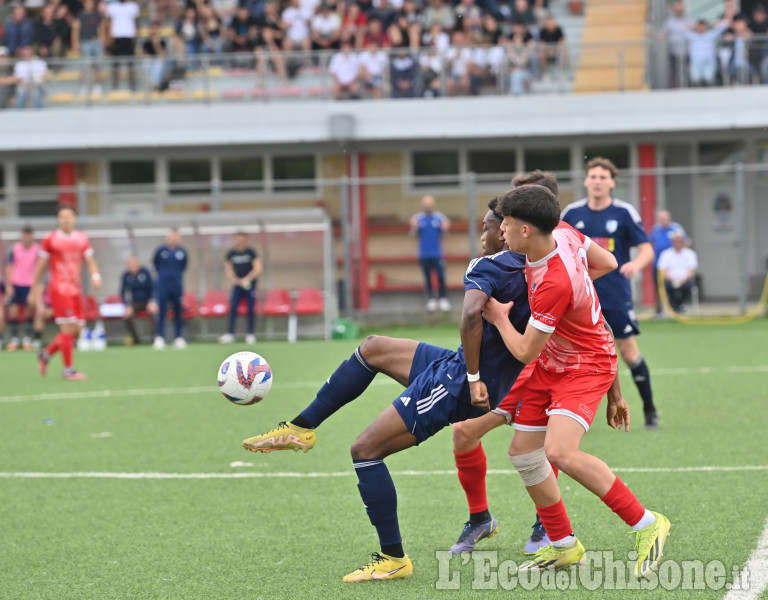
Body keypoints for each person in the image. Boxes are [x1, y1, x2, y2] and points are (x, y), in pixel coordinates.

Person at [241, 199, 534, 581]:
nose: (483, 235)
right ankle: (300, 428)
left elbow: (468, 316)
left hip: (459, 382)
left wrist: (474, 377)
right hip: (468, 369)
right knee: (373, 347)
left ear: (509, 229)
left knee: (365, 451)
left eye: (489, 227)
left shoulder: (489, 265)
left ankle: (393, 557)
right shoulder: (539, 268)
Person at [483, 184, 670, 580]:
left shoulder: (554, 281)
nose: (502, 231)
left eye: (508, 224)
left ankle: (646, 523)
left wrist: (498, 317)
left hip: (585, 367)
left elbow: (524, 352)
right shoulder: (565, 232)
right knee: (523, 452)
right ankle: (564, 544)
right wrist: (579, 295)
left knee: (561, 452)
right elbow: (609, 261)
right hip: (558, 362)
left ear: (527, 230)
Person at [561, 157, 659, 430]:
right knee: (575, 354)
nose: (597, 181)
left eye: (603, 177)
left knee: (628, 353)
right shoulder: (571, 213)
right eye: (593, 176)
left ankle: (650, 409)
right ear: (585, 181)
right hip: (580, 295)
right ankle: (573, 412)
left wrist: (635, 264)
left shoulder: (624, 213)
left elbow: (646, 249)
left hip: (615, 294)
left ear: (612, 183)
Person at [30, 205, 102, 380]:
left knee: (77, 330)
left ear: (75, 218)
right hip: (60, 289)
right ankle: (69, 370)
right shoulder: (50, 240)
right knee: (68, 327)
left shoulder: (82, 239)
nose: (66, 219)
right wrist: (34, 288)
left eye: (69, 216)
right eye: (62, 216)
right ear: (58, 219)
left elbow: (90, 260)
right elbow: (41, 266)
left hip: (76, 290)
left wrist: (95, 275)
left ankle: (46, 354)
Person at [219, 232, 262, 345]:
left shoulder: (251, 252)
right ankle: (230, 334)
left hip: (249, 285)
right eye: (237, 239)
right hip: (237, 285)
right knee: (233, 309)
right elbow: (228, 267)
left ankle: (250, 334)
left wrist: (247, 279)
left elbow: (257, 268)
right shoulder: (231, 253)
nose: (239, 241)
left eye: (241, 239)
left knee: (251, 309)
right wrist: (235, 279)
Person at [410, 194, 450, 312]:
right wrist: (414, 227)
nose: (428, 206)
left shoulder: (439, 218)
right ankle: (431, 299)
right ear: (423, 205)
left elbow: (446, 232)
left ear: (433, 205)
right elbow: (412, 235)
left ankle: (443, 299)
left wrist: (445, 227)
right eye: (426, 204)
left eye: (430, 204)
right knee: (427, 277)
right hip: (424, 254)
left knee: (441, 276)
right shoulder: (417, 218)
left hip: (437, 254)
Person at [4, 225, 40, 351]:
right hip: (15, 283)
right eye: (25, 235)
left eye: (29, 235)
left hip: (29, 284)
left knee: (29, 310)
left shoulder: (37, 250)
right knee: (13, 311)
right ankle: (14, 339)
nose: (27, 237)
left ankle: (27, 339)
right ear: (21, 236)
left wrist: (35, 288)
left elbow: (39, 269)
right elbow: (9, 266)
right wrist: (8, 285)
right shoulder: (14, 249)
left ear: (32, 236)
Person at [152, 229, 188, 350]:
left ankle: (178, 337)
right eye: (171, 236)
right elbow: (155, 264)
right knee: (162, 312)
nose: (173, 238)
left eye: (176, 236)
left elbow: (184, 266)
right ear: (167, 237)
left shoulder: (182, 252)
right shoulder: (161, 251)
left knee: (178, 312)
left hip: (177, 286)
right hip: (163, 286)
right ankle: (160, 337)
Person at [648, 209, 687, 315]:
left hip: (672, 265)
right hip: (658, 264)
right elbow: (649, 244)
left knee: (674, 286)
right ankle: (659, 310)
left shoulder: (676, 228)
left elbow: (686, 241)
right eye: (661, 219)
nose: (663, 221)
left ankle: (676, 307)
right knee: (659, 287)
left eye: (665, 219)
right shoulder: (655, 230)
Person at [658, 231, 698, 313]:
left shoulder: (690, 254)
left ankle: (679, 306)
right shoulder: (666, 254)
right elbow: (663, 271)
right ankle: (675, 307)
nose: (677, 243)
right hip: (670, 280)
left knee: (688, 286)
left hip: (685, 280)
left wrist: (682, 280)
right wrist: (673, 279)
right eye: (675, 241)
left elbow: (691, 271)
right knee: (667, 286)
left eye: (679, 241)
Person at [120, 256, 157, 345]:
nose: (132, 268)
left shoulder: (145, 272)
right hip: (135, 303)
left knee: (154, 313)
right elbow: (123, 292)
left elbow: (152, 288)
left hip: (147, 301)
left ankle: (155, 338)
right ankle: (136, 339)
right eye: (130, 265)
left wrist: (152, 301)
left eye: (134, 265)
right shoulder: (126, 276)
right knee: (127, 316)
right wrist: (127, 306)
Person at [105, 0, 140, 91]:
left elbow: (136, 22)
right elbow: (107, 22)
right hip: (116, 37)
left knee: (131, 63)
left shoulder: (133, 6)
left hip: (129, 36)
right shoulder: (112, 7)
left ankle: (133, 84)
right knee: (115, 63)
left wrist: (136, 36)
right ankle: (115, 85)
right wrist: (108, 38)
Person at [13, 45, 48, 110]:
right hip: (24, 86)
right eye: (24, 54)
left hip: (37, 86)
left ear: (32, 53)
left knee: (36, 95)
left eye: (28, 53)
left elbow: (44, 76)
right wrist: (24, 84)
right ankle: (19, 116)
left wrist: (35, 84)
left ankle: (39, 116)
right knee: (21, 95)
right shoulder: (19, 64)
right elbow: (17, 78)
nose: (26, 55)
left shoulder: (40, 62)